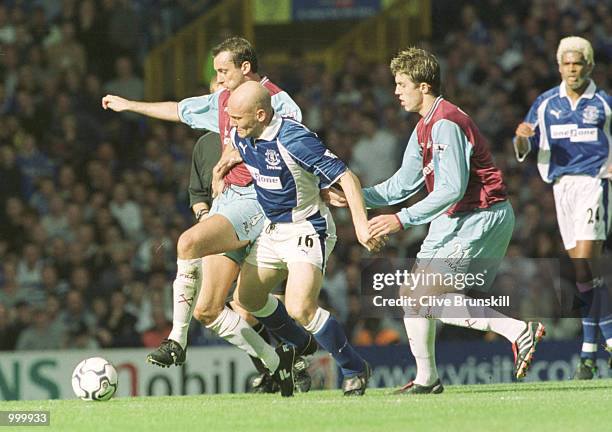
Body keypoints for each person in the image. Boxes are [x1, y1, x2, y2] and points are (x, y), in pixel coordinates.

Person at [102, 37, 315, 395]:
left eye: (223, 71)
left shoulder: (278, 102)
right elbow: (178, 108)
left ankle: (177, 342)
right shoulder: (221, 101)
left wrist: (233, 154)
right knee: (208, 310)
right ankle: (280, 362)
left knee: (189, 244)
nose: (217, 79)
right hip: (229, 203)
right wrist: (129, 105)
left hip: (261, 199)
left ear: (245, 68)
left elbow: (289, 143)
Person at [327, 47, 544, 393]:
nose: (396, 92)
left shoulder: (445, 123)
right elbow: (402, 184)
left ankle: (518, 331)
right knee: (412, 296)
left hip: (479, 216)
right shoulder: (423, 126)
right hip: (453, 219)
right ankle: (427, 379)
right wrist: (358, 197)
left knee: (426, 297)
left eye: (401, 84)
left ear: (424, 86)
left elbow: (453, 189)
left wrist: (401, 220)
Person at [221, 81, 382, 396]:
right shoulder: (242, 135)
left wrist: (362, 226)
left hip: (306, 228)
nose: (233, 126)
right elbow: (249, 157)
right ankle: (301, 343)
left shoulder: (296, 139)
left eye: (238, 118)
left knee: (300, 307)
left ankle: (354, 367)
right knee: (247, 301)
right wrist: (219, 174)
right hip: (273, 229)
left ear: (261, 114)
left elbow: (347, 178)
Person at [514, 36, 612, 379]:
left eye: (578, 63)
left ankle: (609, 338)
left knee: (586, 264)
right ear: (559, 66)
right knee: (583, 274)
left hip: (593, 184)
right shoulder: (545, 104)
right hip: (561, 189)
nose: (572, 69)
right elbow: (523, 142)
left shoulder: (604, 103)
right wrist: (522, 137)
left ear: (589, 66)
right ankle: (588, 353)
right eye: (567, 63)